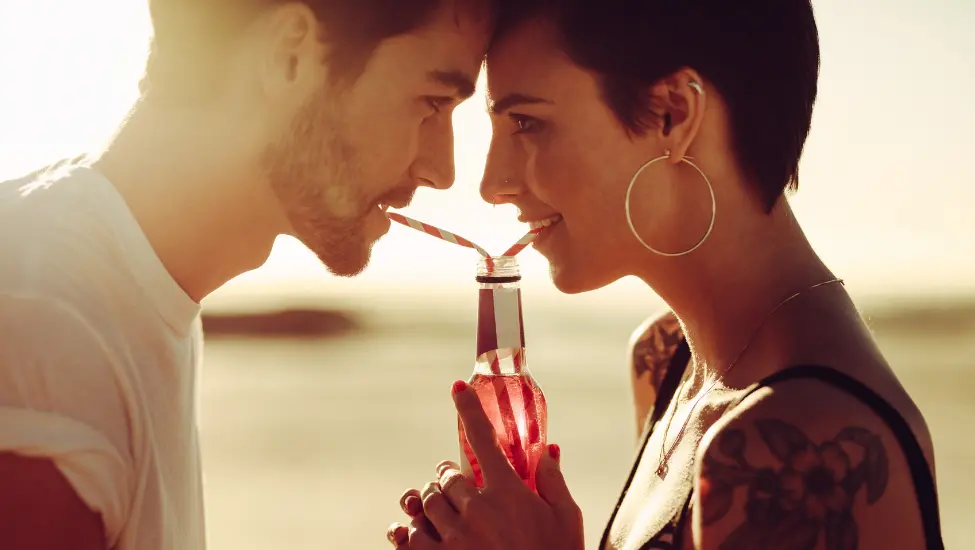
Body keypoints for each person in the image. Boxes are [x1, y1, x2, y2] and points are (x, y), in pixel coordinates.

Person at [388, 1, 945, 549]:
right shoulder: (663, 359)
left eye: (527, 123)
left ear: (673, 115)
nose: (493, 184)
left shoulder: (793, 444)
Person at [0, 1, 493, 549]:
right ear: (290, 56)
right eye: (432, 102)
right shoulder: (48, 317)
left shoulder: (130, 292)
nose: (442, 171)